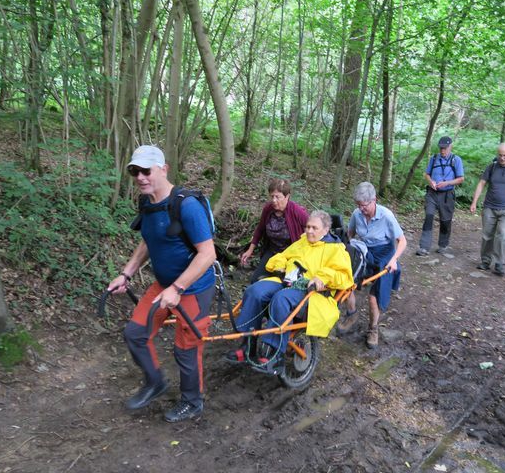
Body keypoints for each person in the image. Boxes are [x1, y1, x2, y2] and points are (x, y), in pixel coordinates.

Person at [106, 145, 216, 423]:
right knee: (135, 333)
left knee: (186, 347)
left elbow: (208, 254)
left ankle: (192, 402)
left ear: (164, 169)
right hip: (163, 285)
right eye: (135, 171)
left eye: (146, 170)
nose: (140, 177)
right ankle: (155, 382)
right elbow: (149, 240)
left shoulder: (186, 206)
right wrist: (127, 273)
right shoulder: (147, 203)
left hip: (193, 288)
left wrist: (177, 288)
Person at [226, 210, 353, 374]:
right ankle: (246, 346)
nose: (309, 231)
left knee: (281, 299)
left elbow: (343, 275)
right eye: (307, 227)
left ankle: (275, 355)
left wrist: (322, 278)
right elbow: (284, 256)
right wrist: (279, 263)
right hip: (286, 281)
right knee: (254, 291)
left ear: (326, 229)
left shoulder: (336, 249)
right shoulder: (302, 242)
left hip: (311, 292)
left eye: (314, 228)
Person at [336, 182, 407, 348]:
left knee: (374, 297)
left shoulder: (387, 216)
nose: (361, 209)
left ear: (374, 200)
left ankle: (373, 328)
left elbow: (402, 241)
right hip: (366, 252)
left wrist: (394, 259)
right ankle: (352, 314)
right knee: (346, 281)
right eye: (358, 205)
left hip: (385, 256)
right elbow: (350, 234)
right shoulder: (356, 214)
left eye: (364, 205)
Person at [469, 143, 505, 277]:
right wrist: (474, 202)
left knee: (503, 235)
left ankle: (500, 263)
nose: (502, 158)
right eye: (500, 155)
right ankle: (485, 261)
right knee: (487, 235)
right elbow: (482, 183)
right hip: (490, 207)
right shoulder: (492, 167)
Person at [240, 179, 308, 283]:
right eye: (272, 196)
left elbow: (312, 228)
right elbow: (260, 229)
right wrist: (250, 250)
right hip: (273, 252)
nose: (274, 200)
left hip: (290, 255)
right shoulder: (268, 209)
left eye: (277, 197)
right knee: (255, 281)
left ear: (287, 196)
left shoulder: (297, 211)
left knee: (283, 283)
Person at [416, 136, 465, 256]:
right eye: (441, 148)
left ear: (450, 147)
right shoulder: (434, 158)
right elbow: (427, 174)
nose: (443, 150)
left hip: (447, 195)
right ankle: (424, 247)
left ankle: (443, 245)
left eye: (445, 148)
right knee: (428, 217)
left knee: (445, 220)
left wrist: (447, 183)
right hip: (432, 194)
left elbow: (461, 179)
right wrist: (430, 181)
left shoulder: (456, 160)